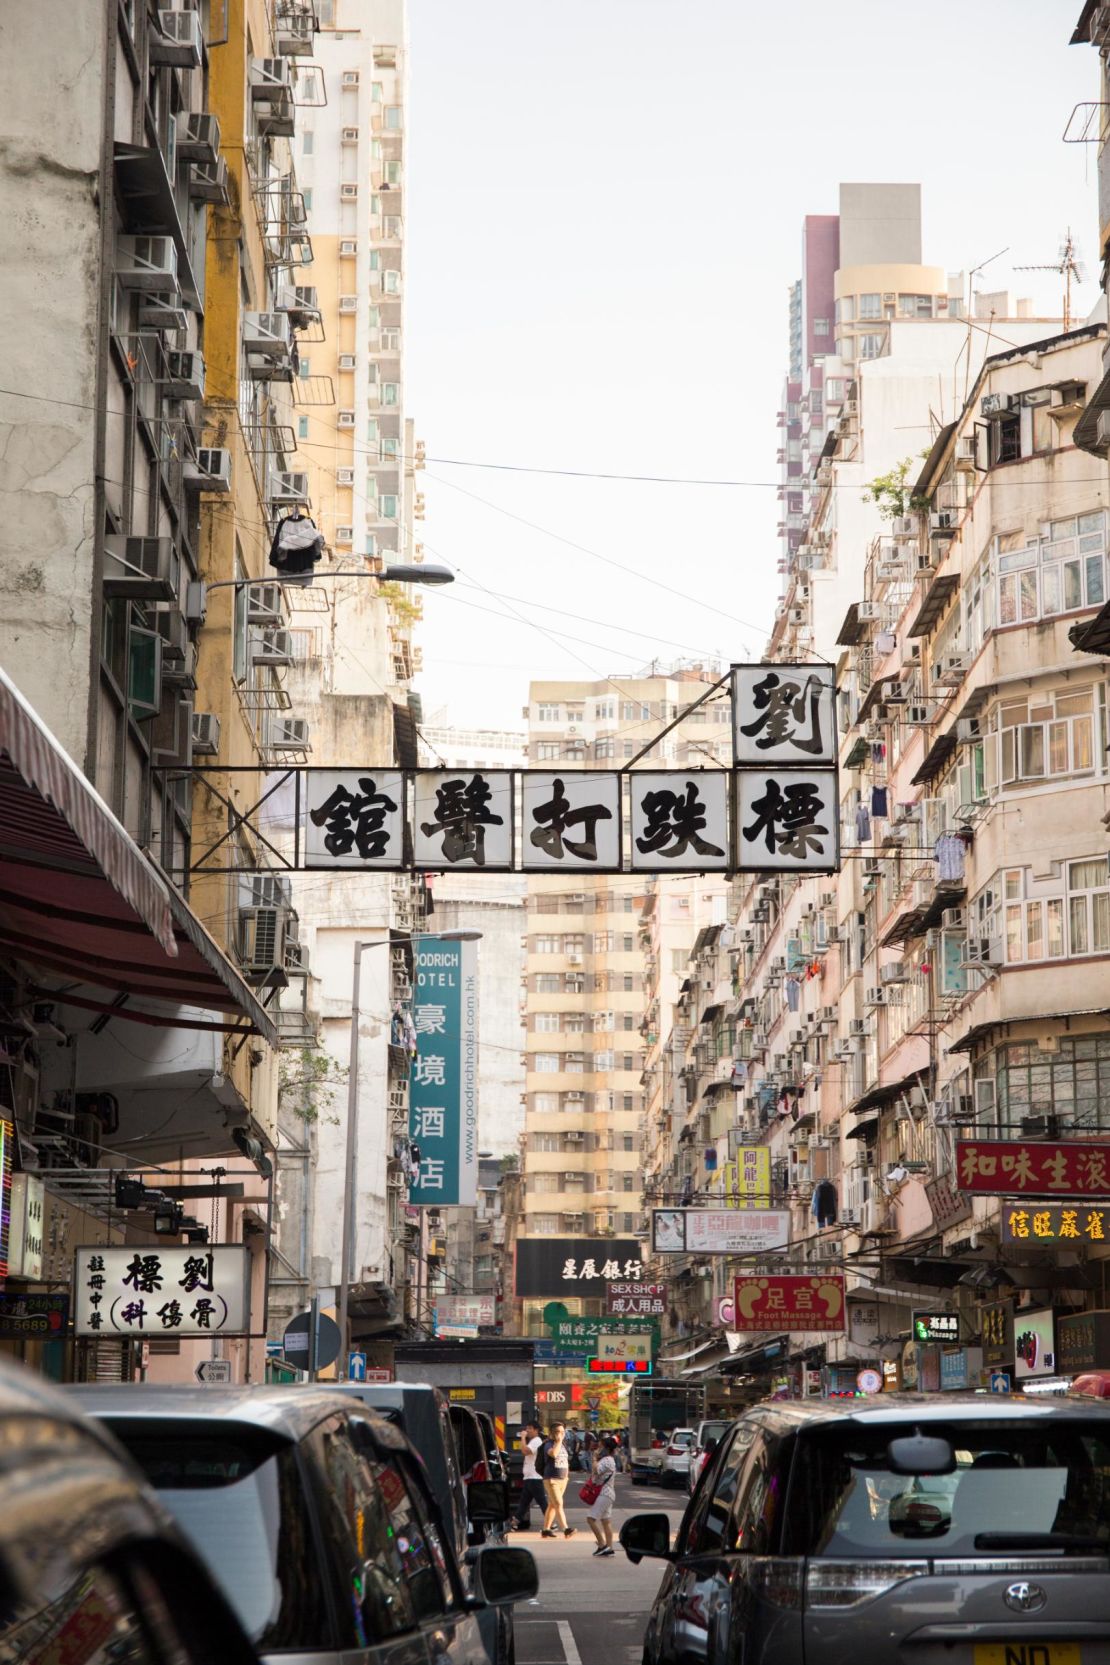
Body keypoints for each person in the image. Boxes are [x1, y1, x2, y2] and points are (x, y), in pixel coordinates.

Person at [510, 1420, 546, 1532]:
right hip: (529, 1477)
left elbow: (525, 1451)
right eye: (527, 1428)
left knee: (542, 1502)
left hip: (534, 1477)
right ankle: (514, 1522)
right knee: (524, 1502)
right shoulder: (533, 1441)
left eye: (530, 1428)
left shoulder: (536, 1441)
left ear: (536, 1430)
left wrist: (522, 1438)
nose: (527, 1431)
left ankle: (551, 1523)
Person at [540, 1421, 574, 1538]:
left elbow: (565, 1461)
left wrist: (566, 1476)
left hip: (562, 1479)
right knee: (559, 1504)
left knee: (552, 1505)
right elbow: (553, 1454)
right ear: (551, 1433)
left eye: (563, 1432)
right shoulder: (549, 1444)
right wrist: (558, 1442)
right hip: (552, 1479)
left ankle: (545, 1529)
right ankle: (566, 1529)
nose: (560, 1434)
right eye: (558, 1432)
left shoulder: (563, 1444)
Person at [586, 1435, 619, 1556]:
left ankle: (602, 1544)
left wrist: (594, 1458)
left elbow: (596, 1470)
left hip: (604, 1494)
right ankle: (609, 1548)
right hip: (607, 1494)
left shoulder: (607, 1460)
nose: (598, 1449)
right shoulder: (608, 1460)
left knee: (590, 1519)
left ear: (606, 1448)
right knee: (606, 1521)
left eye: (600, 1446)